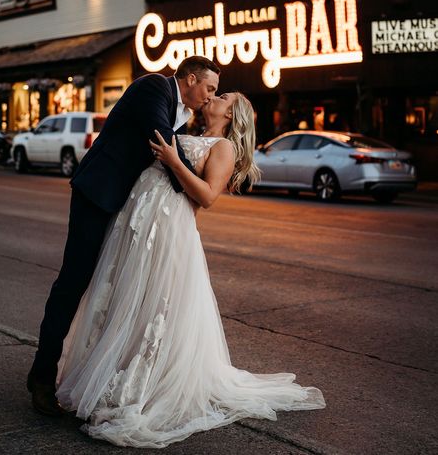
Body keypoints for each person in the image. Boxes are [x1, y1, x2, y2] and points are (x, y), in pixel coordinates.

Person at [56, 92, 326, 448]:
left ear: (230, 114)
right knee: (124, 295)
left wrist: (173, 160)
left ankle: (141, 383)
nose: (213, 96)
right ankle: (108, 368)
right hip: (137, 219)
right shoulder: (184, 129)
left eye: (222, 96)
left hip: (168, 226)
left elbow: (208, 196)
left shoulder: (224, 147)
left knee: (154, 304)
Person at [27, 56, 220, 416]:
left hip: (124, 204)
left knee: (109, 286)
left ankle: (91, 373)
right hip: (97, 195)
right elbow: (163, 144)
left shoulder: (179, 108)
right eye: (209, 88)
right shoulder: (154, 88)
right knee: (74, 282)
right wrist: (198, 188)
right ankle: (41, 375)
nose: (210, 97)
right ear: (190, 79)